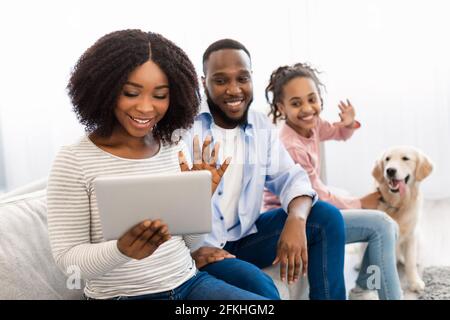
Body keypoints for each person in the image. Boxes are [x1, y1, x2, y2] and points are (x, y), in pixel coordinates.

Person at [46, 29, 268, 300]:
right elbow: (68, 263)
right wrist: (121, 250)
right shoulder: (73, 159)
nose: (146, 108)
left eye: (160, 95)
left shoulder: (174, 147)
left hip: (189, 284)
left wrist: (198, 201)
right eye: (131, 93)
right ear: (104, 89)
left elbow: (190, 244)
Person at [180, 39, 347, 300]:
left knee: (326, 217)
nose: (234, 90)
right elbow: (168, 209)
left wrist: (297, 218)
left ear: (251, 78)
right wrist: (190, 251)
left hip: (246, 237)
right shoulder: (184, 129)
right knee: (261, 288)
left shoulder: (259, 124)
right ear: (204, 82)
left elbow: (290, 177)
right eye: (221, 80)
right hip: (205, 248)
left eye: (242, 79)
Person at [263, 63, 403, 300]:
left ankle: (362, 288)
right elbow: (316, 196)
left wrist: (348, 124)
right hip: (293, 219)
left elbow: (337, 132)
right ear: (281, 107)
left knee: (384, 224)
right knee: (383, 225)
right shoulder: (290, 146)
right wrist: (360, 202)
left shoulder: (312, 124)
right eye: (296, 103)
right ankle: (377, 292)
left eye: (312, 99)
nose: (307, 109)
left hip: (312, 204)